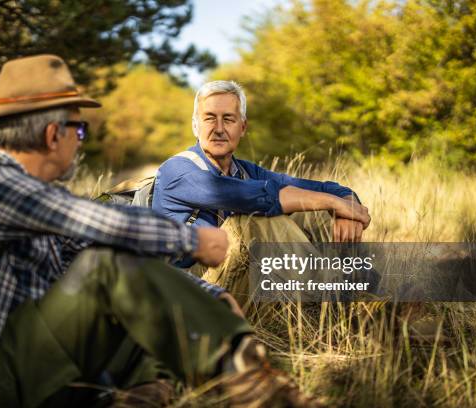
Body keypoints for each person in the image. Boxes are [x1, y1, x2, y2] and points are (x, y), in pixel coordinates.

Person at [0, 56, 312, 407]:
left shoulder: (33, 200)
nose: (79, 141)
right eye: (79, 131)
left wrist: (209, 297)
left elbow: (113, 257)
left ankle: (144, 394)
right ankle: (258, 389)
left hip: (31, 363)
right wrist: (190, 240)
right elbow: (101, 226)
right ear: (54, 134)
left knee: (131, 307)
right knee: (104, 266)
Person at [152, 80, 372, 302]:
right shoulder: (177, 170)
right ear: (195, 125)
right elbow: (254, 197)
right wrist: (333, 202)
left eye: (228, 119)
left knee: (317, 214)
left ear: (243, 127)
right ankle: (337, 297)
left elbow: (326, 188)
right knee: (254, 221)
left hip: (238, 286)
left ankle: (358, 287)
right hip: (187, 295)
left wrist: (346, 206)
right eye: (209, 118)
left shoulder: (246, 171)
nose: (219, 129)